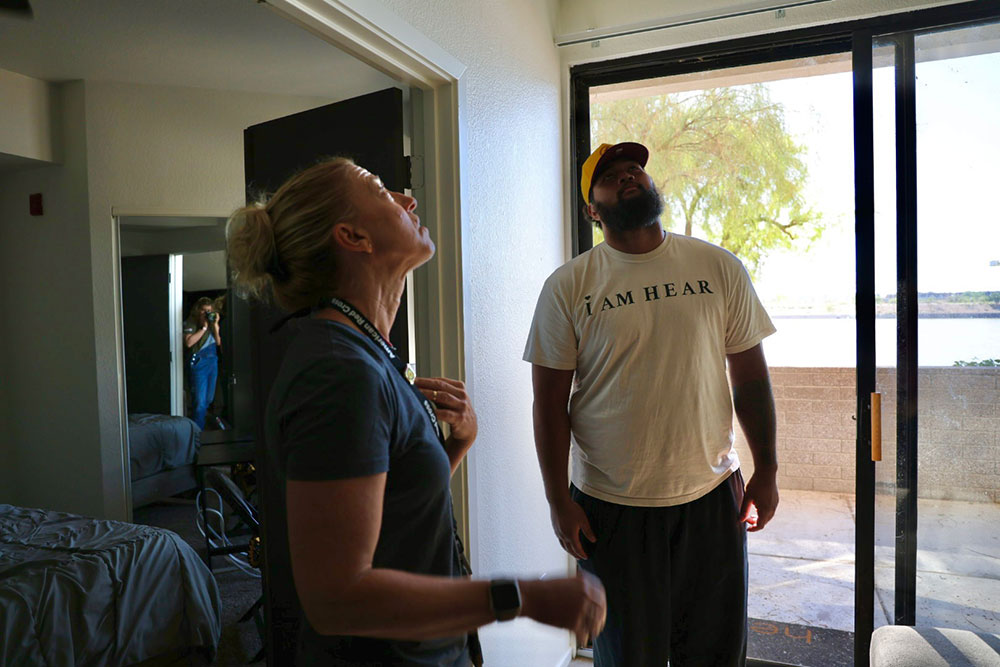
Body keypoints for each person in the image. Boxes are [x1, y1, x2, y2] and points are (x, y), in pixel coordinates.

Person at [225, 157, 607, 666]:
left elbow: (390, 512)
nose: (410, 200)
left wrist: (454, 447)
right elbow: (334, 599)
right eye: (380, 190)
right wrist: (522, 597)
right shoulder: (337, 372)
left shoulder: (364, 349)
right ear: (354, 236)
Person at [523, 141, 779, 667]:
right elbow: (549, 403)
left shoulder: (717, 266)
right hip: (610, 508)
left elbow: (749, 378)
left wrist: (767, 468)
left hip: (710, 497)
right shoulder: (569, 286)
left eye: (634, 169)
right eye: (610, 176)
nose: (628, 176)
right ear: (592, 210)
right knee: (626, 657)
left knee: (715, 653)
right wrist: (557, 499)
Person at [183, 296, 221, 429]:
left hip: (212, 361)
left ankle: (198, 424)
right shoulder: (191, 322)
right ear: (198, 310)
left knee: (208, 400)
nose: (206, 314)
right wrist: (203, 328)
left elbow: (218, 342)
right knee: (200, 402)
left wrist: (215, 325)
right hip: (199, 361)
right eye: (204, 311)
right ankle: (197, 433)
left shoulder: (211, 322)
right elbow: (189, 342)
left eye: (209, 311)